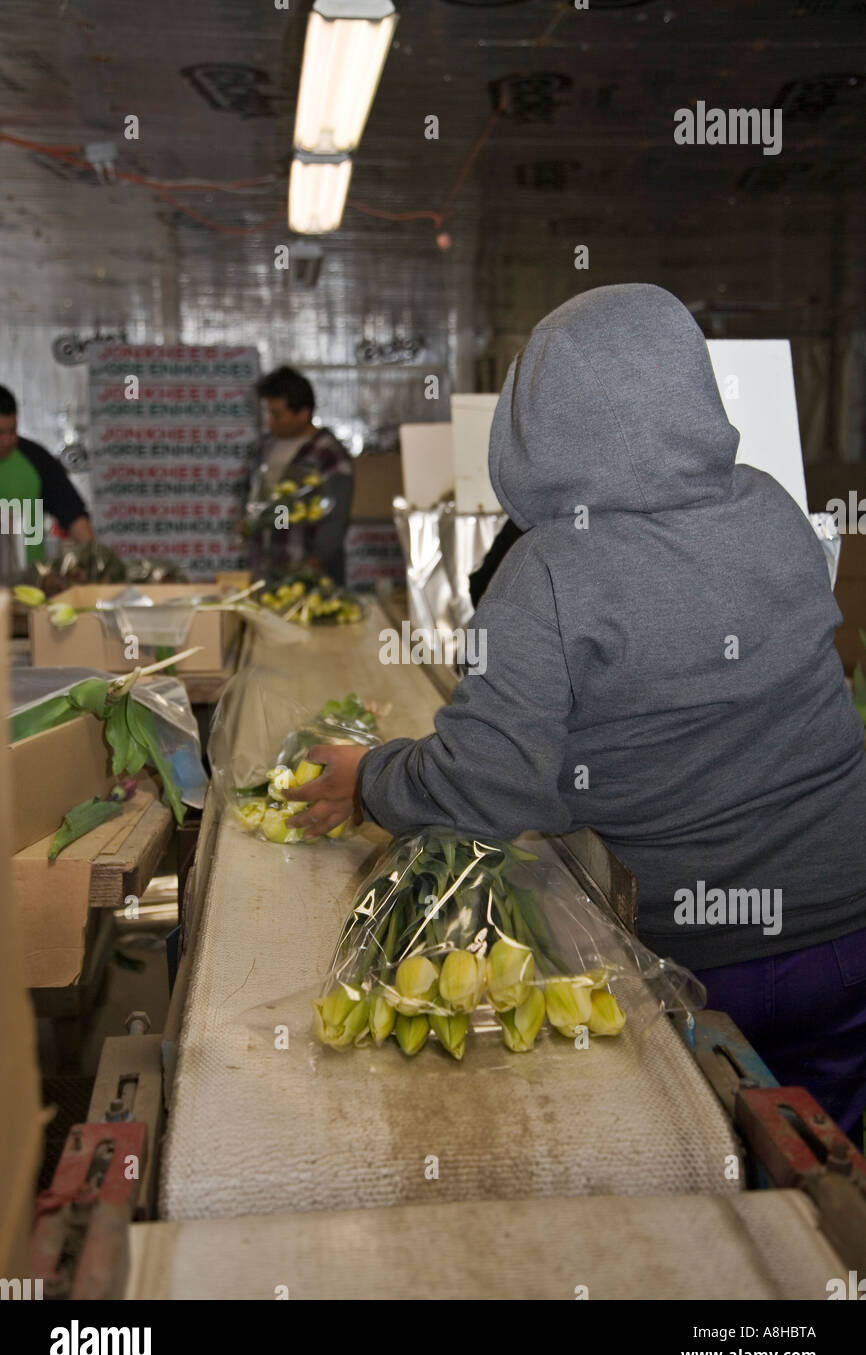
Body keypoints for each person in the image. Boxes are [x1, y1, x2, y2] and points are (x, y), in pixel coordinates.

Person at [285, 283, 866, 1147]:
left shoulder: (552, 570)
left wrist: (369, 776)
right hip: (850, 930)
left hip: (701, 962)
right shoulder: (775, 509)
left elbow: (483, 788)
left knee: (708, 1163)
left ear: (534, 422)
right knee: (828, 1169)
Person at [244, 366, 353, 584]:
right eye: (268, 413)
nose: (270, 422)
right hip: (266, 569)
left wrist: (314, 563)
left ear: (303, 413)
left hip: (309, 574)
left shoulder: (329, 454)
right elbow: (252, 495)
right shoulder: (263, 447)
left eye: (277, 415)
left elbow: (335, 518)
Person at [0, 385, 93, 565]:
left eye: (12, 431)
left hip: (30, 581)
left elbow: (73, 515)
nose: (7, 440)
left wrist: (96, 562)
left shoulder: (35, 458)